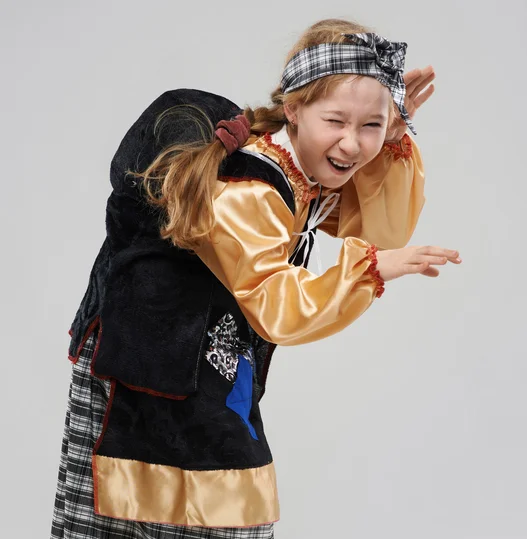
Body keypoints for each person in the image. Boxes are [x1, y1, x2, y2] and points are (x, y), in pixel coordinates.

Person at [50, 17, 461, 539]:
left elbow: (381, 224)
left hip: (200, 369)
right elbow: (274, 302)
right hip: (143, 361)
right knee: (133, 516)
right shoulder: (256, 186)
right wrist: (369, 271)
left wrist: (394, 138)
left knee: (218, 508)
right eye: (336, 120)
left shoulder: (301, 172)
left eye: (370, 126)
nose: (353, 145)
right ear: (293, 108)